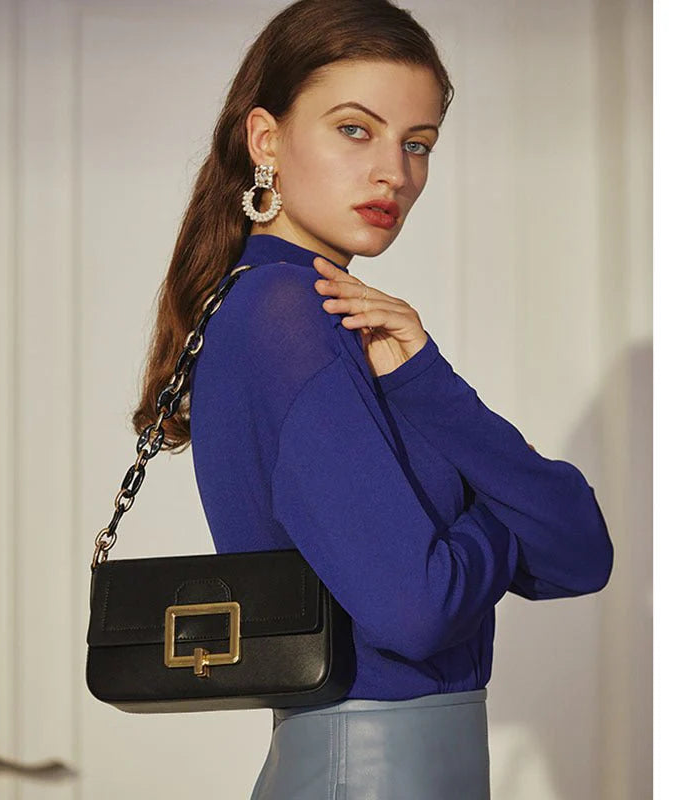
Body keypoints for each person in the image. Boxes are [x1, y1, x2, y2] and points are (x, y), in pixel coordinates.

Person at [131, 0, 614, 797]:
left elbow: (580, 556)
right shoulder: (283, 318)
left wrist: (430, 384)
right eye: (356, 129)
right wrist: (497, 510)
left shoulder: (349, 325)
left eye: (417, 143)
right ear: (266, 140)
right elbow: (415, 610)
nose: (395, 172)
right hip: (367, 771)